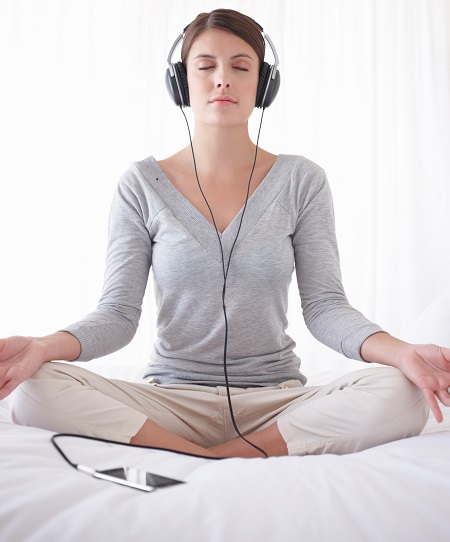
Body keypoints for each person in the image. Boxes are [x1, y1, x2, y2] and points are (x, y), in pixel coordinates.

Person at [1, 8, 449, 459]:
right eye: (205, 66)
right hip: (170, 400)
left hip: (276, 401)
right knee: (34, 386)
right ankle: (202, 451)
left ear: (264, 84)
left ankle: (227, 452)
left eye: (240, 66)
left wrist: (401, 351)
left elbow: (325, 307)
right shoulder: (140, 184)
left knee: (402, 388)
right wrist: (41, 346)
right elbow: (117, 314)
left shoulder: (301, 180)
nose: (223, 80)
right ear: (181, 82)